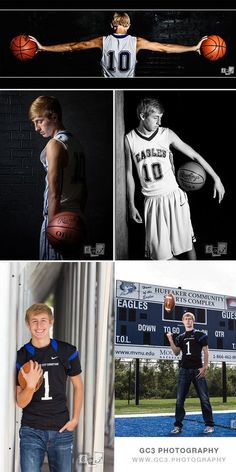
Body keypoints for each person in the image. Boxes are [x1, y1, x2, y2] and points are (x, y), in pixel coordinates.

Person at [125, 96, 225, 260]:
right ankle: (188, 274)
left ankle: (194, 279)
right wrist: (131, 205)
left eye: (161, 118)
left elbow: (194, 155)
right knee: (160, 257)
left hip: (173, 196)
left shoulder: (167, 134)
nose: (159, 122)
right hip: (152, 201)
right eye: (156, 117)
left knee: (187, 245)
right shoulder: (129, 139)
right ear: (142, 116)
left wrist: (217, 178)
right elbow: (129, 173)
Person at [29, 12, 206, 78]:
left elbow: (72, 46)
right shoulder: (137, 41)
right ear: (128, 25)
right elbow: (165, 48)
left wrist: (43, 47)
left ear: (112, 26)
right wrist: (193, 47)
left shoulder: (103, 40)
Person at [16, 303, 84, 472]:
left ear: (51, 322)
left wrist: (74, 419)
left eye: (43, 321)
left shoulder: (67, 351)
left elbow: (78, 386)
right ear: (27, 324)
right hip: (31, 429)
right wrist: (30, 385)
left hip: (61, 428)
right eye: (34, 321)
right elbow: (20, 402)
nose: (39, 326)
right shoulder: (21, 356)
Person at [29, 95, 87, 260]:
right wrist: (79, 219)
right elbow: (84, 189)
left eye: (39, 121)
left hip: (58, 221)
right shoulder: (76, 143)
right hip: (76, 221)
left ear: (54, 117)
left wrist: (52, 229)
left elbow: (54, 193)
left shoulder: (55, 144)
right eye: (34, 123)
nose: (36, 128)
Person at [166, 312, 214, 434]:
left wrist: (205, 367)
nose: (188, 321)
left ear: (193, 321)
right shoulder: (180, 337)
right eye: (186, 319)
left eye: (190, 319)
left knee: (204, 399)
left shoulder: (200, 335)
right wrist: (170, 339)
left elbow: (206, 352)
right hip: (184, 370)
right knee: (179, 399)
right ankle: (178, 426)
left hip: (197, 370)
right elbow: (176, 352)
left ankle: (209, 424)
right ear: (183, 321)